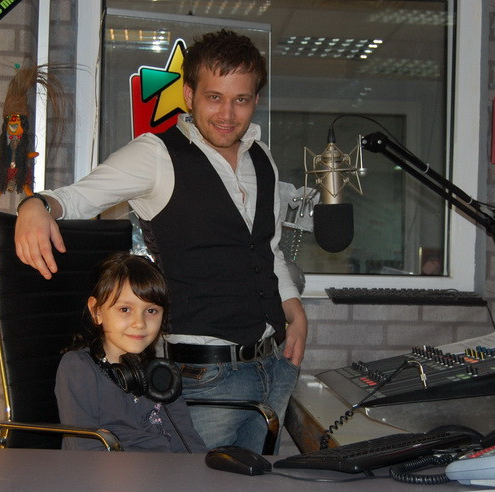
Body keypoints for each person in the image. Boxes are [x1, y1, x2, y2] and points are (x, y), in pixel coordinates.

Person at [16, 29, 307, 453]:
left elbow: (268, 249)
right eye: (214, 97)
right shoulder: (156, 154)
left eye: (241, 99)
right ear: (189, 94)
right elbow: (78, 196)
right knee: (193, 491)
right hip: (204, 377)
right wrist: (36, 205)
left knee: (258, 489)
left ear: (255, 100)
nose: (227, 114)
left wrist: (294, 310)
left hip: (273, 366)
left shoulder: (263, 159)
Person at [55, 251, 206, 453]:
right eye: (125, 309)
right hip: (110, 472)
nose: (139, 323)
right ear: (96, 311)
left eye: (151, 311)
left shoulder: (159, 373)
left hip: (168, 469)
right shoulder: (79, 367)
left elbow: (189, 443)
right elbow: (85, 450)